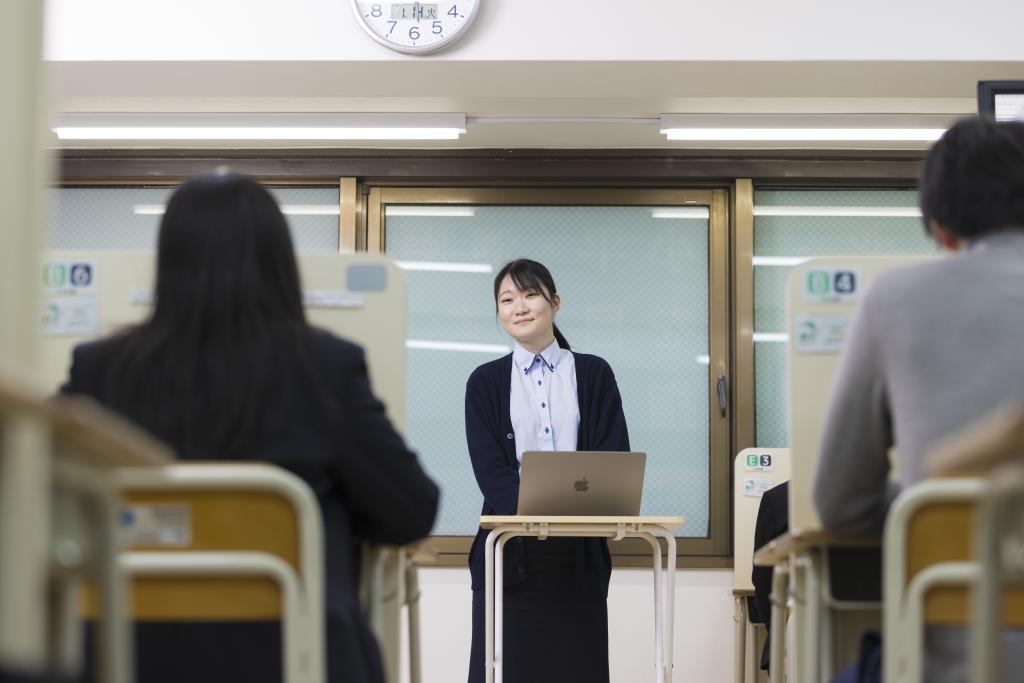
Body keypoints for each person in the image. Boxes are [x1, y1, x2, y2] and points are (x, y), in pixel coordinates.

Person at [59, 172, 440, 683]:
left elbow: (40, 493)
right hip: (291, 652)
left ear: (169, 261)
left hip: (125, 650)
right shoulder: (324, 366)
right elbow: (410, 510)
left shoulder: (100, 368)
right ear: (279, 262)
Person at [813, 117, 1024, 682]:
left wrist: (930, 500)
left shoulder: (899, 299)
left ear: (940, 226)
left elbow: (841, 502)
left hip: (964, 658)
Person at [464, 259, 629, 683]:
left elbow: (612, 457)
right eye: (507, 299)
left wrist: (569, 514)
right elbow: (490, 470)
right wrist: (536, 512)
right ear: (499, 313)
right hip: (509, 555)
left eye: (530, 294)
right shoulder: (484, 382)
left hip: (579, 556)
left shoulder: (594, 374)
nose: (519, 306)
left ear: (554, 303)